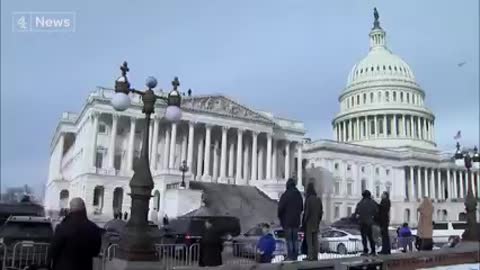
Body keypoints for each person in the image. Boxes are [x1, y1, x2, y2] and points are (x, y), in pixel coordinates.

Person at [48, 198, 102, 270]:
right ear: (84, 208)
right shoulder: (93, 228)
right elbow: (96, 251)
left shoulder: (63, 227)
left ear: (70, 209)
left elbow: (53, 249)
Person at [278, 178, 303, 261]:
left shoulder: (285, 195)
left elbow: (280, 208)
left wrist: (281, 217)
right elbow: (301, 207)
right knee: (295, 239)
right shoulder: (298, 194)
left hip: (287, 221)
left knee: (289, 239)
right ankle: (295, 255)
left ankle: (290, 255)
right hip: (296, 221)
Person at [303, 182, 323, 261]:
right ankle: (315, 255)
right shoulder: (318, 199)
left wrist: (304, 221)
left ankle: (310, 255)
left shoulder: (309, 199)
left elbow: (307, 212)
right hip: (316, 222)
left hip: (309, 222)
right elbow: (321, 212)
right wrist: (318, 220)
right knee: (315, 240)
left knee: (309, 240)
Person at [354, 190, 378, 256]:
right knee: (370, 237)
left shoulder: (360, 203)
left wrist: (357, 218)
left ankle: (365, 250)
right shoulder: (372, 202)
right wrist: (373, 218)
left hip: (362, 222)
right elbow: (376, 211)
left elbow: (357, 212)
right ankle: (373, 251)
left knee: (364, 237)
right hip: (369, 222)